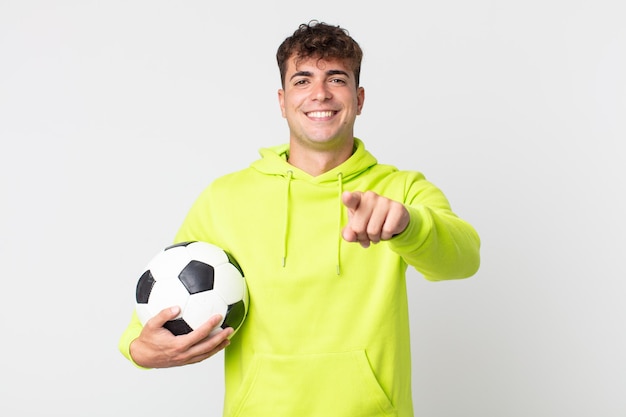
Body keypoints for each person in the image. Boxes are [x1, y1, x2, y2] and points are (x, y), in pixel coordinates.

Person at [119, 20, 480, 417]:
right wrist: (139, 348)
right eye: (303, 80)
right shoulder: (224, 198)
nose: (320, 94)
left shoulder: (401, 190)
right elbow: (165, 296)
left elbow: (464, 259)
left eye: (336, 79)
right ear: (282, 100)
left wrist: (408, 225)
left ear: (359, 99)